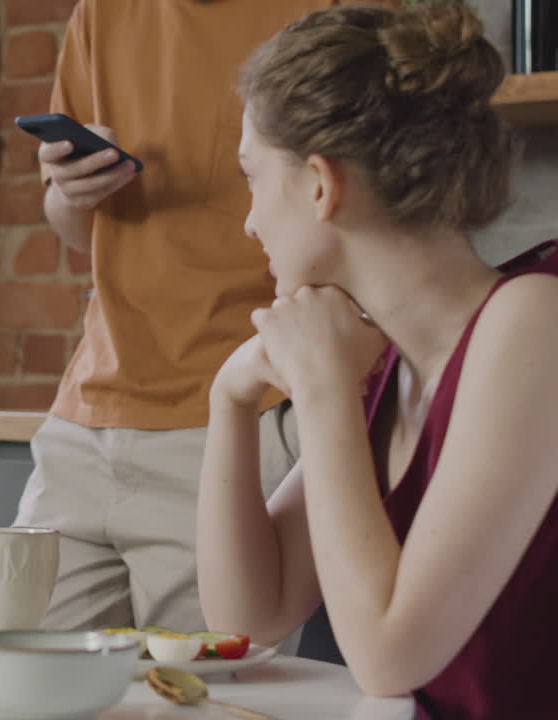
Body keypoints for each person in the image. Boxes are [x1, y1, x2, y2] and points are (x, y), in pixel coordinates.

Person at [196, 4, 558, 718]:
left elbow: (390, 657)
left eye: (252, 178)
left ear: (319, 185)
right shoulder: (388, 363)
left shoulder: (532, 322)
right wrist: (229, 402)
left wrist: (326, 389)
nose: (249, 221)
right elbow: (250, 617)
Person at [14, 0, 367, 634]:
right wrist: (70, 191)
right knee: (22, 686)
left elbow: (372, 213)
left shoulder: (340, 15)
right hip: (86, 414)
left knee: (206, 696)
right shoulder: (100, 14)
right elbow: (72, 229)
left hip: (249, 411)